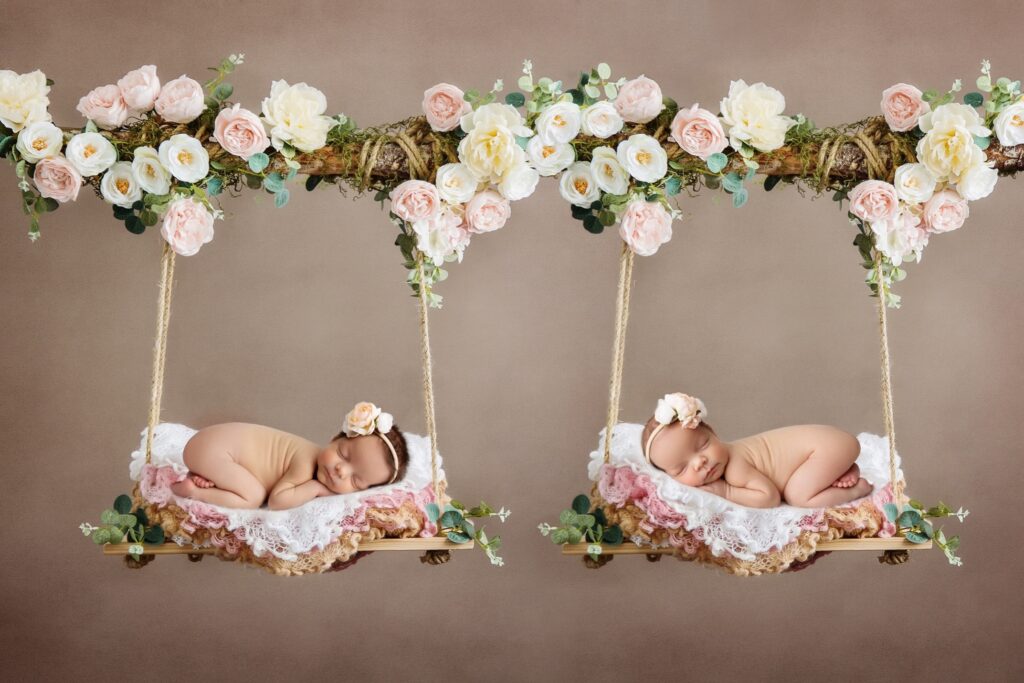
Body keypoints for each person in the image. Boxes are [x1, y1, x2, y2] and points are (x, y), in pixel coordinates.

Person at [641, 392, 872, 508]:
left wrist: (726, 493)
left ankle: (856, 490)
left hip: (826, 449)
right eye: (681, 468)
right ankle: (841, 469)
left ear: (714, 433)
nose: (699, 462)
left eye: (703, 445)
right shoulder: (729, 456)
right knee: (802, 481)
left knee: (798, 496)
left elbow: (769, 497)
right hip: (830, 444)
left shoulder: (735, 469)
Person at [169, 401, 409, 510]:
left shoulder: (316, 461)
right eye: (343, 454)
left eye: (355, 481)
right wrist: (316, 489)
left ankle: (204, 475)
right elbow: (277, 500)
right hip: (215, 449)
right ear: (335, 439)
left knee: (245, 484)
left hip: (213, 448)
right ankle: (194, 491)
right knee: (252, 497)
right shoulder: (305, 461)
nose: (341, 470)